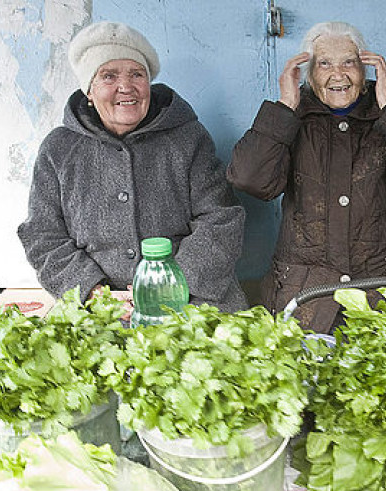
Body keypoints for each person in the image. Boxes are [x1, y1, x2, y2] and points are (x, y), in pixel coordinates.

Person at [226, 21, 386, 333]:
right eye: (324, 64)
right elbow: (250, 178)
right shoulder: (292, 117)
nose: (338, 74)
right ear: (308, 74)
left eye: (349, 62)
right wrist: (284, 107)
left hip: (382, 287)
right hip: (305, 294)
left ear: (366, 68)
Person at [18, 21, 247, 313]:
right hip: (99, 307)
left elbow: (221, 218)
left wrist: (172, 287)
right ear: (89, 90)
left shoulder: (188, 138)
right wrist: (94, 293)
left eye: (136, 74)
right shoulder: (59, 149)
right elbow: (42, 234)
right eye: (109, 76)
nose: (125, 87)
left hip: (190, 298)